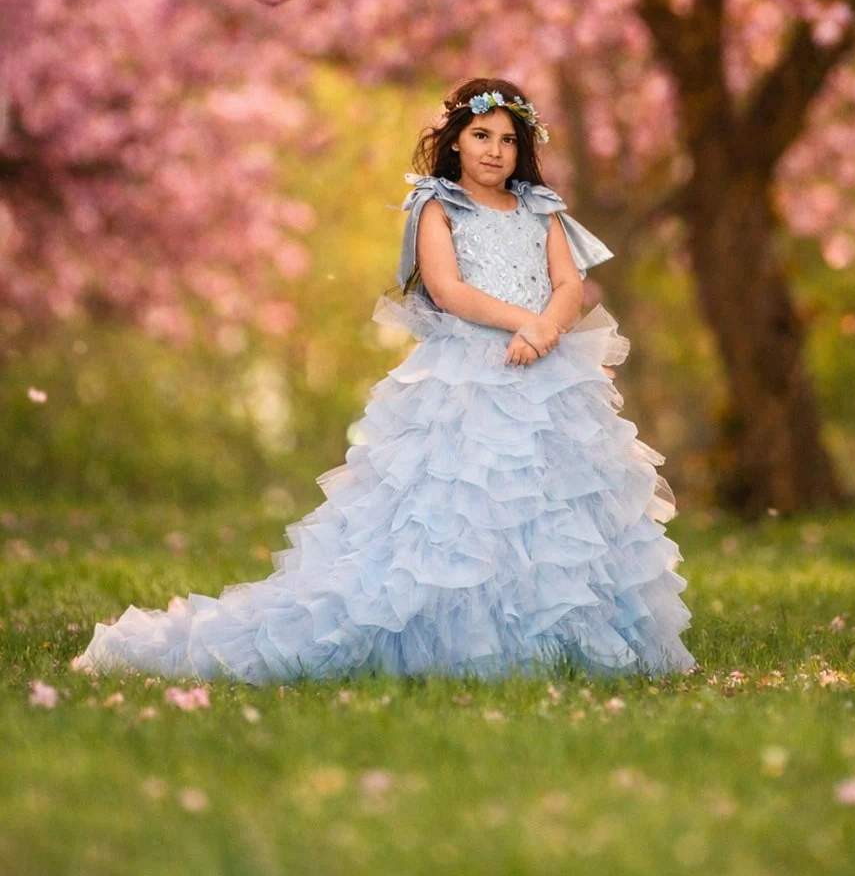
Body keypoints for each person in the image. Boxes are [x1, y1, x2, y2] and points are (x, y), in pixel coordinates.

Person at [73, 77, 695, 682]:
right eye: (481, 135)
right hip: (470, 372)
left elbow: (569, 283)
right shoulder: (436, 203)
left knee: (552, 513)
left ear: (522, 148)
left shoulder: (541, 207)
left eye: (507, 140)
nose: (494, 151)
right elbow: (448, 289)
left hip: (548, 375)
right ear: (455, 139)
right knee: (460, 508)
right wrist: (522, 325)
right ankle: (452, 640)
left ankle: (554, 636)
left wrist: (549, 330)